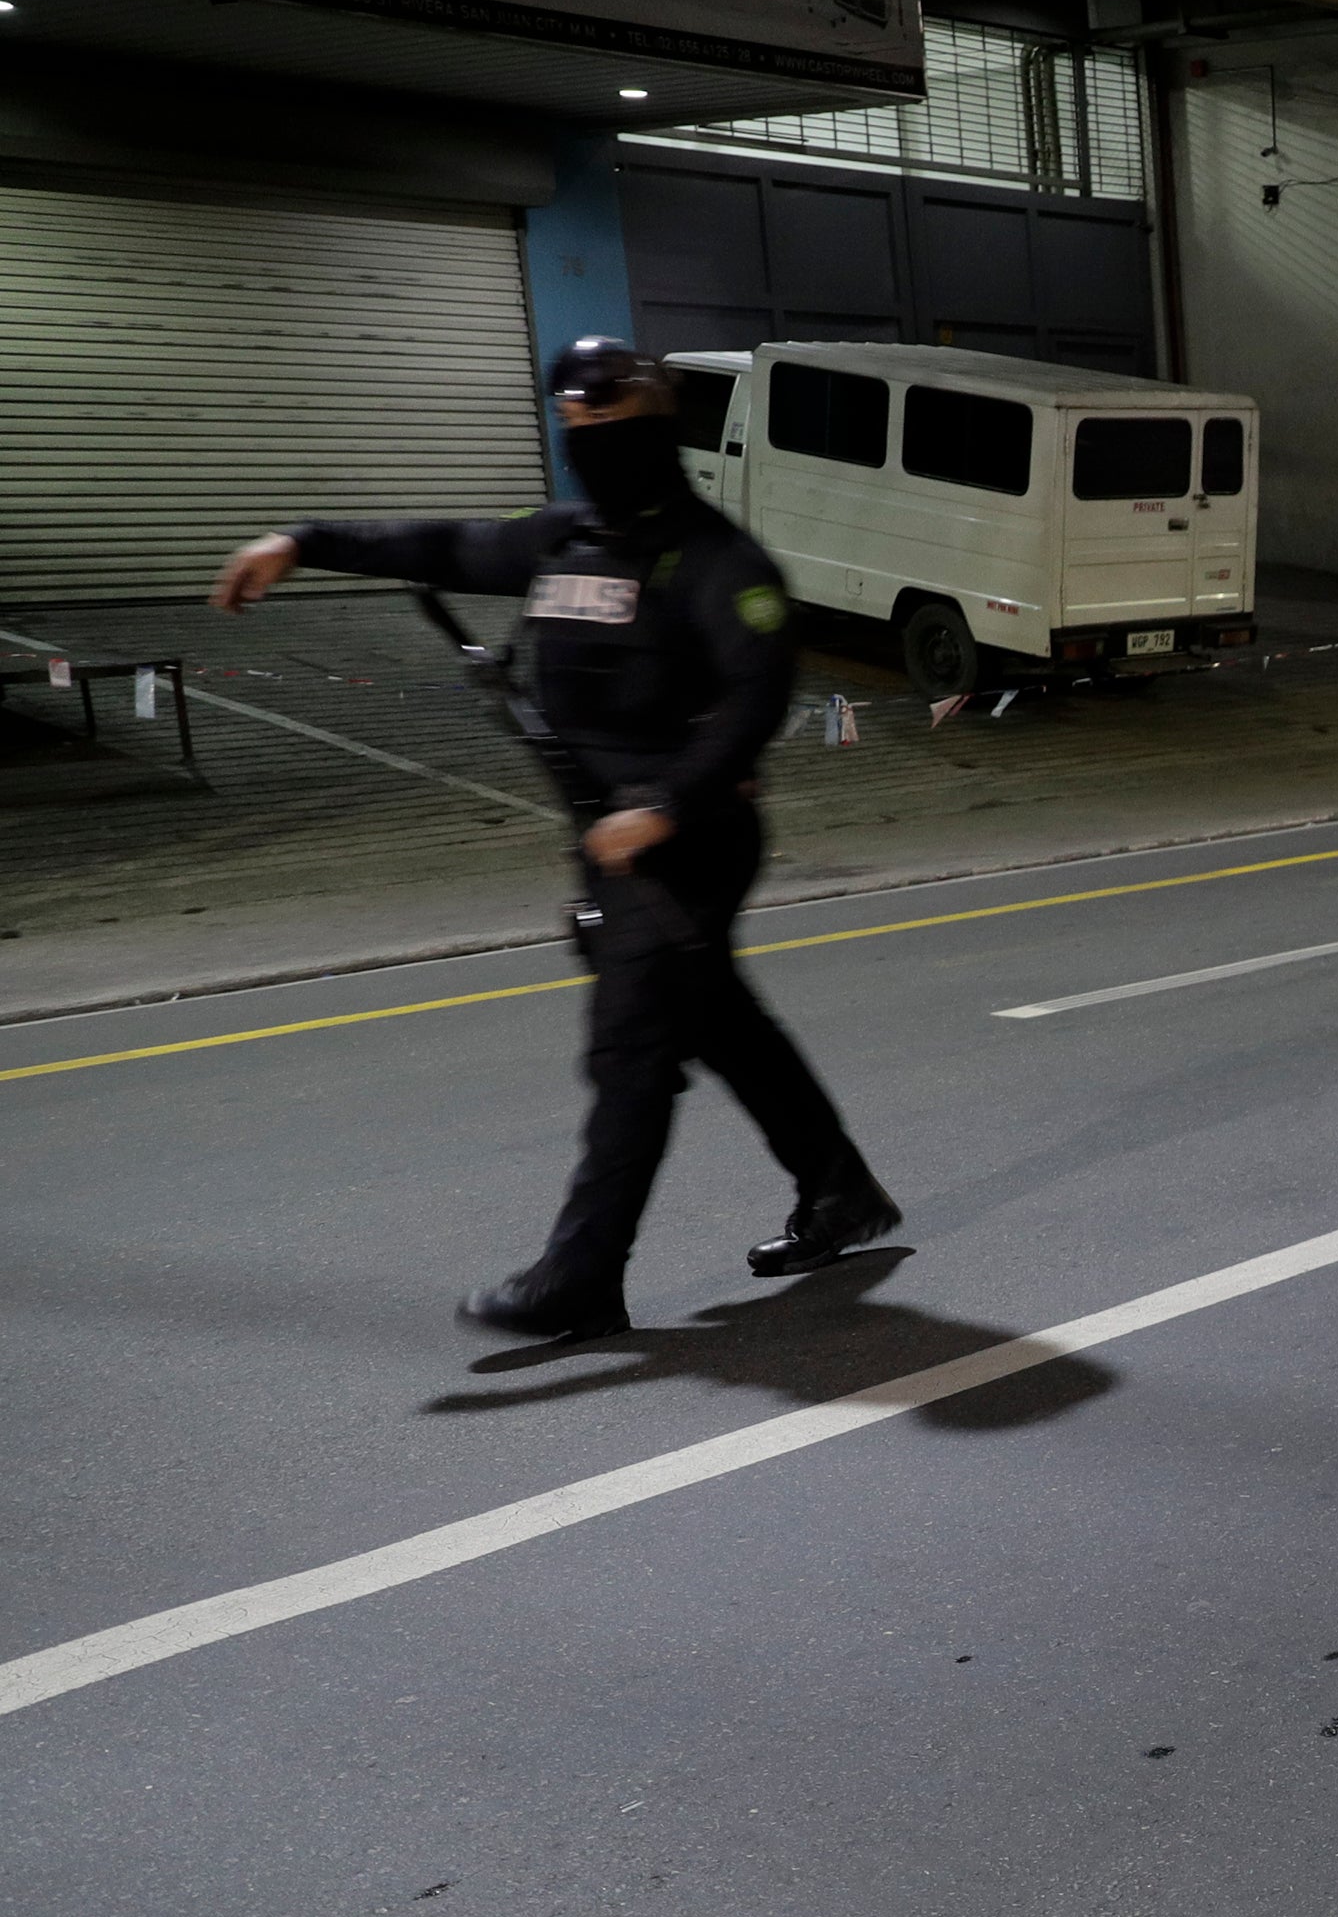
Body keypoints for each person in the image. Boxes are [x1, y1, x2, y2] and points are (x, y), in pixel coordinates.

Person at [211, 338, 894, 1343]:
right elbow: (440, 548)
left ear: (659, 433)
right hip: (606, 837)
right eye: (577, 431)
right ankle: (839, 1191)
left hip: (686, 842)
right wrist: (302, 541)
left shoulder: (719, 564)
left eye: (613, 428)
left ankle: (582, 1273)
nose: (595, 448)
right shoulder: (565, 540)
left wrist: (663, 802)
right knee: (719, 1026)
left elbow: (755, 697)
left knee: (632, 1051)